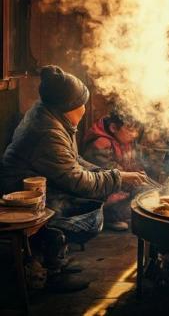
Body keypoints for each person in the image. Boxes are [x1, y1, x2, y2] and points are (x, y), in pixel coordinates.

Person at [0, 65, 147, 291]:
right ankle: (51, 268)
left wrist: (108, 174)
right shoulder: (48, 133)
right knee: (90, 219)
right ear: (67, 107)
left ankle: (55, 256)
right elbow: (77, 180)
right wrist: (118, 177)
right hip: (24, 198)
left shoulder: (49, 113)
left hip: (44, 187)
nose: (85, 110)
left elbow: (74, 160)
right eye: (81, 105)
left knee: (95, 202)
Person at [83, 110, 144, 231]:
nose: (135, 134)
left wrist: (138, 172)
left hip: (119, 187)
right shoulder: (100, 143)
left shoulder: (123, 139)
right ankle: (109, 218)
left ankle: (118, 214)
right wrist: (132, 179)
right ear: (113, 128)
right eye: (130, 130)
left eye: (136, 130)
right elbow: (106, 173)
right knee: (138, 201)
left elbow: (132, 163)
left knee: (144, 193)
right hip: (103, 194)